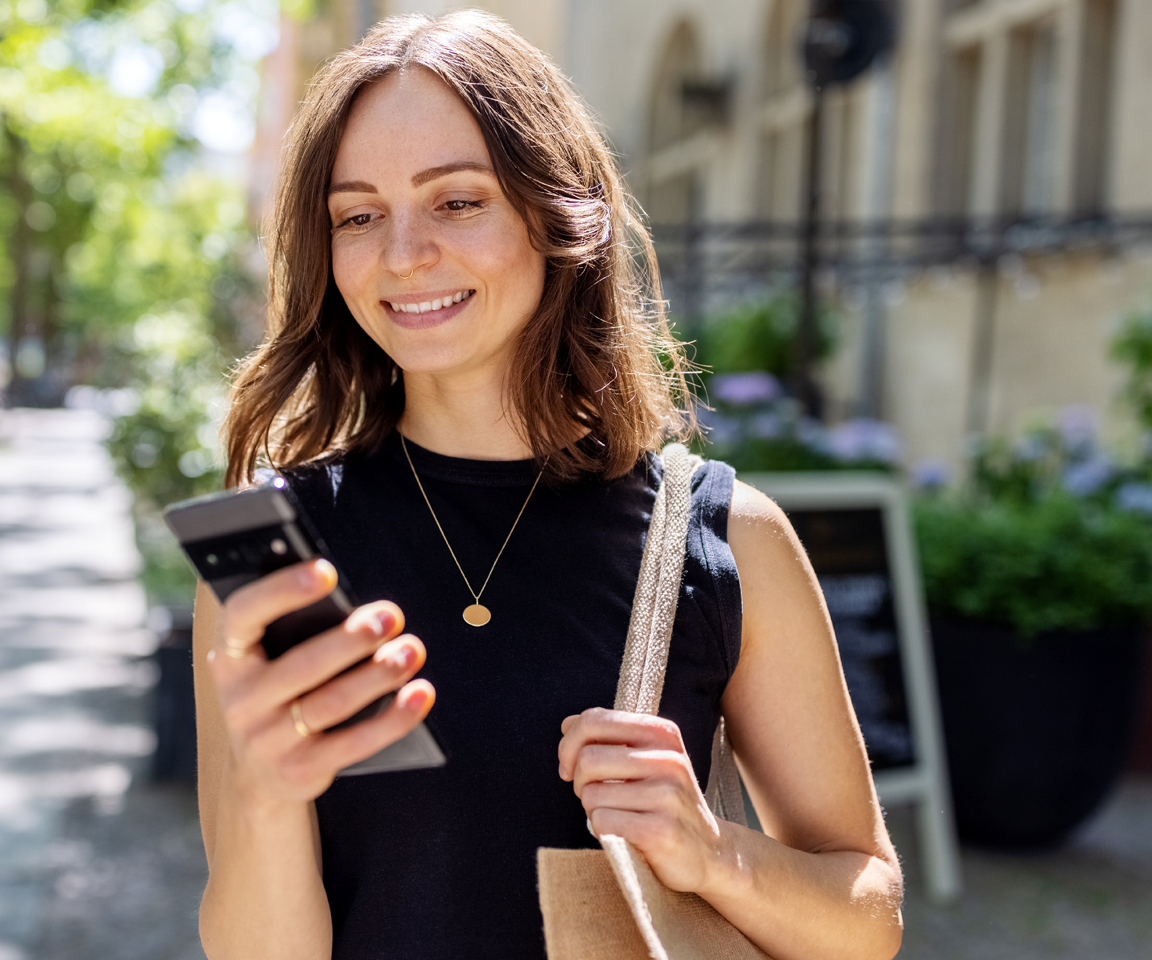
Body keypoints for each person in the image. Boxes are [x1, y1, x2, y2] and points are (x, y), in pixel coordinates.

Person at [193, 12, 903, 960]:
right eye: (358, 215)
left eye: (457, 202)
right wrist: (267, 794)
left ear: (555, 210)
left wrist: (710, 853)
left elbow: (869, 919)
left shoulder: (724, 538)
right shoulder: (274, 557)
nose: (403, 254)